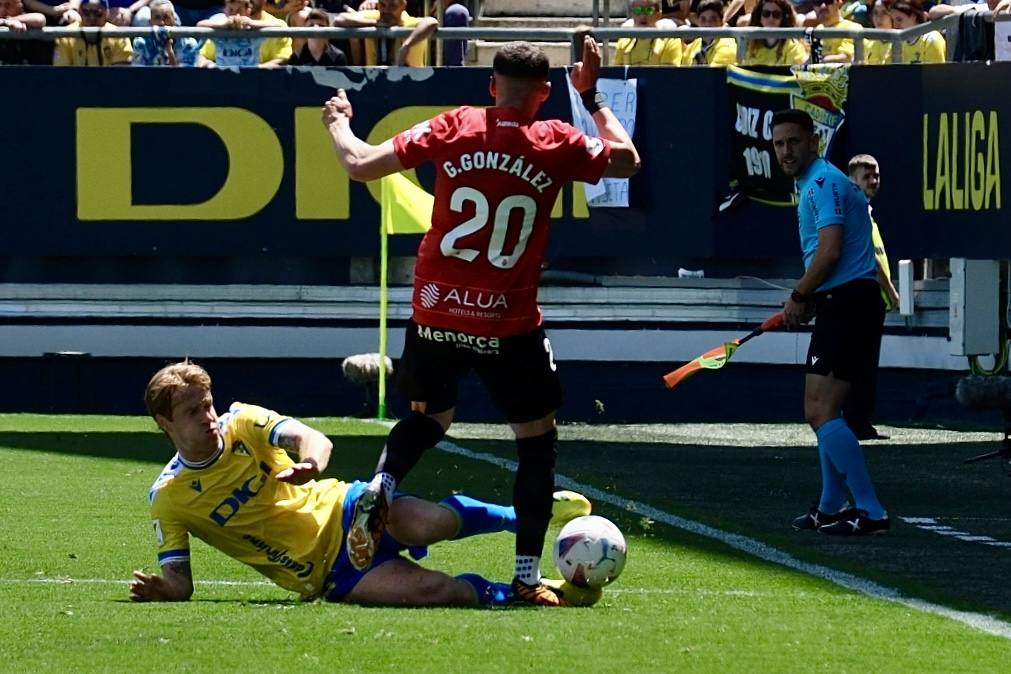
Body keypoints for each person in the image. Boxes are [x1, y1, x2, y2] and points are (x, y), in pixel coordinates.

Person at [321, 37, 640, 605]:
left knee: (430, 419)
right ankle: (524, 578)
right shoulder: (554, 140)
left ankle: (382, 484)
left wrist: (339, 122)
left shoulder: (456, 125)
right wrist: (589, 96)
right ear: (544, 93)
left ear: (492, 86)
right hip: (507, 322)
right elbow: (627, 159)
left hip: (437, 310)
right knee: (536, 446)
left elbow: (359, 164)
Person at [129, 361, 593, 606]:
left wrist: (311, 463)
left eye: (207, 404)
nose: (208, 418)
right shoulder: (168, 499)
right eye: (193, 412)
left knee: (429, 522)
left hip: (349, 509)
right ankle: (517, 592)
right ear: (164, 423)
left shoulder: (242, 423)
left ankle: (528, 515)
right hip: (330, 573)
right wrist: (164, 589)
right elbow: (180, 581)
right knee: (439, 592)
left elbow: (311, 438)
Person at [772, 109, 890, 536]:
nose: (787, 150)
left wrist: (801, 295)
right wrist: (813, 297)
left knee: (818, 410)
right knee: (826, 409)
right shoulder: (819, 183)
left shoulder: (822, 183)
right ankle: (831, 504)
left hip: (849, 302)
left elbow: (830, 252)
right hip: (845, 300)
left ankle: (871, 510)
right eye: (780, 143)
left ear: (812, 143)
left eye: (794, 141)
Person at [841, 154, 898, 441]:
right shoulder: (858, 212)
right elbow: (871, 262)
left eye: (876, 175)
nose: (874, 181)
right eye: (868, 176)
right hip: (864, 298)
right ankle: (857, 422)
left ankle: (857, 420)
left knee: (861, 364)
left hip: (867, 299)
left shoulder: (863, 211)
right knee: (861, 365)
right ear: (853, 181)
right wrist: (890, 290)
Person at [333, 0, 437, 66]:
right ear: (378, 5)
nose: (387, 10)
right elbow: (339, 19)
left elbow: (432, 22)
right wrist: (375, 24)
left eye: (393, 5)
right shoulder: (374, 18)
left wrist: (407, 46)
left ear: (403, 5)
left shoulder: (410, 22)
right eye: (383, 5)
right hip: (376, 80)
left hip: (410, 81)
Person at [198, 0, 288, 67]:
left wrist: (252, 23)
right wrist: (222, 25)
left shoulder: (255, 31)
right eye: (231, 9)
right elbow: (200, 25)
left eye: (239, 10)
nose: (235, 15)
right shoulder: (218, 28)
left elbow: (281, 26)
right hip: (223, 77)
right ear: (224, 10)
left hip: (249, 77)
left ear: (248, 11)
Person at [52, 0, 134, 65]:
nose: (92, 18)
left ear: (107, 14)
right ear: (80, 12)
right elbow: (62, 74)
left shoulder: (119, 36)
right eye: (87, 12)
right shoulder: (65, 35)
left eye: (98, 13)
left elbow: (121, 75)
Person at [131, 0, 204, 65]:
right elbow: (138, 75)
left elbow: (185, 77)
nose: (162, 23)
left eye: (166, 17)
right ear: (150, 22)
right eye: (157, 18)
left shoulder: (188, 44)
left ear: (175, 20)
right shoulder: (140, 42)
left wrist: (169, 51)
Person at [613, 0, 682, 66]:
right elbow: (618, 74)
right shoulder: (624, 41)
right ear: (633, 15)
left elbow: (668, 75)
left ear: (658, 15)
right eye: (638, 10)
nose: (643, 16)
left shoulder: (670, 41)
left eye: (648, 10)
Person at [742, 0, 809, 65]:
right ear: (759, 18)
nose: (771, 18)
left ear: (783, 18)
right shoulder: (751, 44)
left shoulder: (792, 45)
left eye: (776, 14)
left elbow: (798, 73)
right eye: (766, 14)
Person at [681, 0, 737, 66]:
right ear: (698, 21)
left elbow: (712, 75)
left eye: (713, 19)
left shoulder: (727, 46)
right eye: (703, 19)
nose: (707, 24)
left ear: (722, 22)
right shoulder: (693, 46)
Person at [0, 0, 49, 64]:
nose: (2, 10)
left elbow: (40, 19)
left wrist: (10, 21)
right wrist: (5, 22)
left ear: (20, 6)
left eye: (8, 5)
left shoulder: (25, 17)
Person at [862, 0, 893, 65]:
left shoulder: (903, 44)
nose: (879, 18)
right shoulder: (866, 44)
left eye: (884, 13)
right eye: (875, 13)